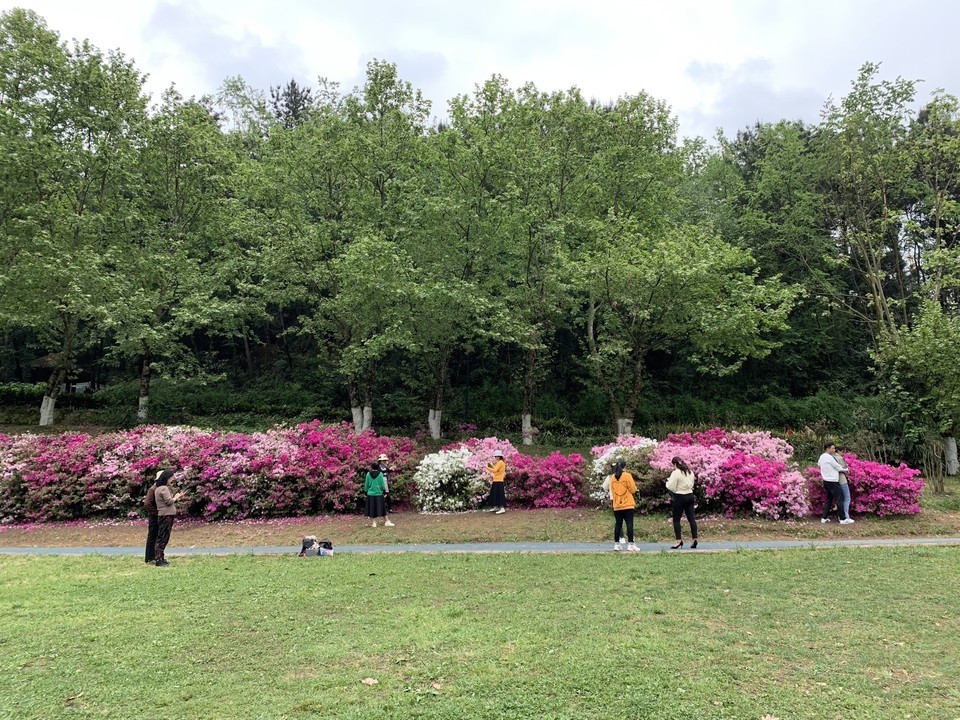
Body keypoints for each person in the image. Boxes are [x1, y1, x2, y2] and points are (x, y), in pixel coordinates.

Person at [601, 460, 639, 552]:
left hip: (617, 504)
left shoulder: (612, 477)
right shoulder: (627, 475)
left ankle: (616, 544)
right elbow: (633, 489)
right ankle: (630, 544)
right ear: (624, 467)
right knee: (629, 524)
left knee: (618, 524)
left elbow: (608, 488)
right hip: (628, 504)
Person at [153, 470, 185, 567]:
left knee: (162, 536)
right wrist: (177, 497)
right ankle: (159, 559)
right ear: (166, 478)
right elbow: (169, 501)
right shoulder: (164, 488)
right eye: (171, 478)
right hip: (166, 515)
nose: (172, 480)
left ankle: (160, 557)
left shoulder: (158, 488)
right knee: (163, 537)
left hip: (163, 515)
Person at [666, 456, 698, 549]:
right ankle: (694, 539)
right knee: (691, 518)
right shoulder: (689, 471)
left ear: (675, 464)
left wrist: (667, 483)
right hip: (690, 495)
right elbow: (692, 484)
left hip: (680, 496)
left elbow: (671, 486)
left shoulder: (676, 473)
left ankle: (678, 541)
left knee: (676, 519)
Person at [818, 442, 853, 524]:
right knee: (839, 499)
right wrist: (846, 469)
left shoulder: (822, 457)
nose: (834, 450)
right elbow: (838, 467)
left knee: (829, 500)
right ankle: (843, 519)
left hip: (826, 480)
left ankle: (824, 518)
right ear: (828, 448)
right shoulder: (829, 457)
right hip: (833, 481)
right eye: (833, 448)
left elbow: (819, 464)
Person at [365, 462, 390, 527]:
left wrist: (366, 491)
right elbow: (382, 484)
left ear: (371, 467)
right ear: (377, 467)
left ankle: (374, 523)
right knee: (382, 508)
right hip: (379, 493)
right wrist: (384, 491)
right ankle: (387, 521)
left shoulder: (368, 474)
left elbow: (366, 484)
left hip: (370, 494)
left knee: (372, 509)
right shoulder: (380, 474)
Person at [143, 472, 160, 564]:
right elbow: (147, 503)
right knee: (152, 536)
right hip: (154, 516)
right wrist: (156, 513)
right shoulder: (153, 489)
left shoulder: (158, 489)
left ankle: (154, 556)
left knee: (156, 536)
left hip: (157, 515)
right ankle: (150, 557)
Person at [376, 453, 395, 525]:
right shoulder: (378, 467)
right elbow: (380, 472)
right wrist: (388, 470)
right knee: (384, 494)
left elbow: (388, 471)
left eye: (385, 460)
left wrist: (391, 469)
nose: (384, 461)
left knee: (387, 494)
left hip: (385, 480)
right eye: (383, 460)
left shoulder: (384, 467)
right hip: (381, 480)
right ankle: (382, 509)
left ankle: (389, 508)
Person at [486, 449, 507, 514]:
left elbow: (495, 470)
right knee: (495, 494)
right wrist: (491, 465)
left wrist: (486, 467)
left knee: (499, 495)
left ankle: (502, 508)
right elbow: (496, 469)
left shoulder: (500, 462)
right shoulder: (500, 463)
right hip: (496, 480)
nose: (495, 457)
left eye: (496, 456)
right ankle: (496, 507)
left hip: (499, 480)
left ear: (499, 456)